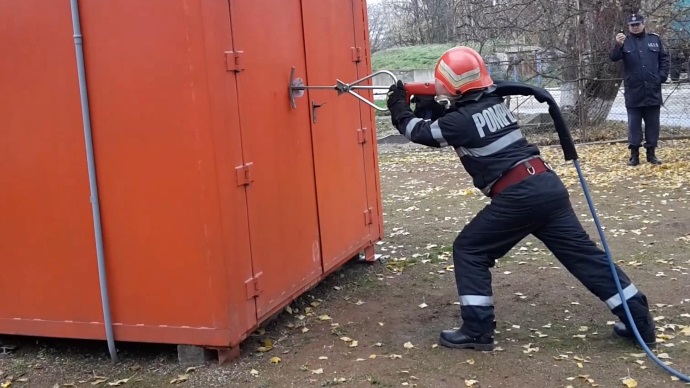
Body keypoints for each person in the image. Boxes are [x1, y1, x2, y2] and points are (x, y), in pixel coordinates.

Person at [386, 46, 656, 351]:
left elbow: (419, 132)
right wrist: (432, 107)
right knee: (585, 258)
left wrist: (398, 108)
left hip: (518, 195)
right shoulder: (493, 103)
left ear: (452, 85)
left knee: (470, 249)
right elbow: (460, 125)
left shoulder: (459, 121)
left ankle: (477, 331)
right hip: (545, 186)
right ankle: (639, 320)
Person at [610, 12, 670, 166]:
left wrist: (661, 76)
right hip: (634, 92)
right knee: (634, 125)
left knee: (652, 125)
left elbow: (664, 58)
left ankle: (651, 154)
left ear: (643, 24)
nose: (635, 27)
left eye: (638, 24)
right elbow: (614, 57)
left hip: (652, 90)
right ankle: (634, 155)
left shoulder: (654, 39)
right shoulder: (625, 42)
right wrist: (618, 45)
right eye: (632, 25)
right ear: (628, 27)